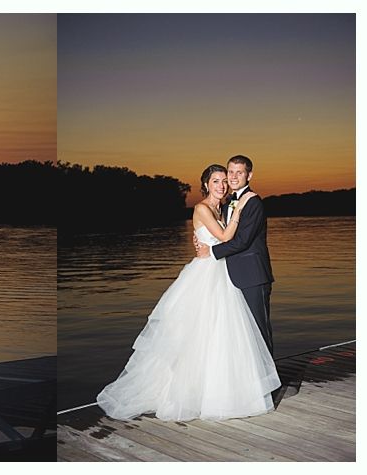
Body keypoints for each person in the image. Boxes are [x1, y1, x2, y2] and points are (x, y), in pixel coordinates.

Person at [96, 164, 280, 421]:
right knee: (198, 333)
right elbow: (227, 237)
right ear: (206, 184)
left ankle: (235, 388)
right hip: (206, 274)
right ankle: (191, 392)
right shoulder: (204, 208)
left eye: (224, 181)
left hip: (224, 273)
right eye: (216, 181)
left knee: (225, 334)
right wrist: (237, 211)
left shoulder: (223, 207)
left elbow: (230, 240)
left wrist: (229, 216)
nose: (222, 185)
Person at [196, 155, 275, 356]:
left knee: (259, 329)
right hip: (228, 276)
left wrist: (211, 251)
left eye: (239, 172)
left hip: (252, 275)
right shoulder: (226, 203)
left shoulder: (253, 202)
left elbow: (242, 241)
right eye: (230, 172)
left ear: (249, 175)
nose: (233, 177)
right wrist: (198, 238)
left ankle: (270, 385)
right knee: (240, 332)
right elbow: (216, 232)